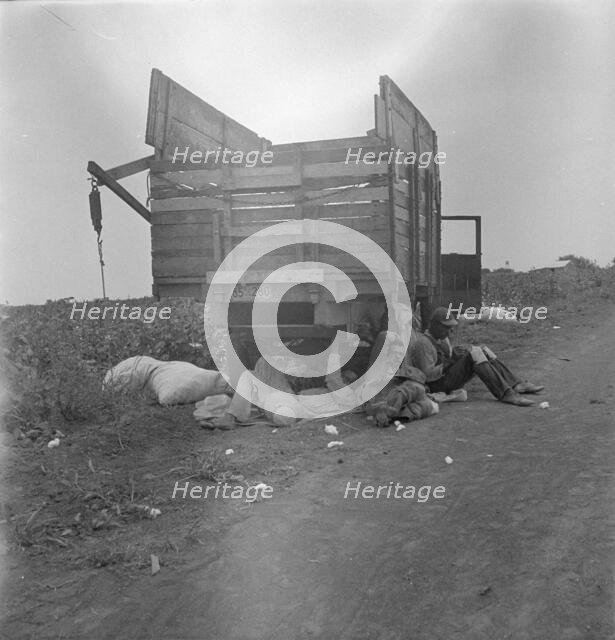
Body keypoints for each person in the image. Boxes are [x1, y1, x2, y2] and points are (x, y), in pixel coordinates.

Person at [410, 307, 544, 407]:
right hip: (437, 385)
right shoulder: (423, 343)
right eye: (446, 327)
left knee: (481, 349)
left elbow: (450, 356)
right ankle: (506, 394)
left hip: (446, 378)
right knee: (473, 354)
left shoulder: (441, 339)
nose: (449, 331)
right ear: (435, 325)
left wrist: (458, 352)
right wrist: (449, 363)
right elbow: (427, 376)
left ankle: (516, 384)